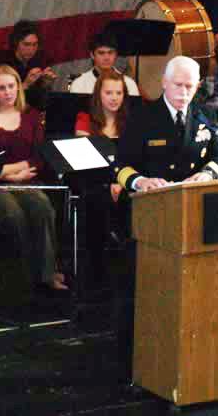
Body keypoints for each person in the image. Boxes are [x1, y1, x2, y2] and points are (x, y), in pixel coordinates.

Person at [112, 56, 218, 378]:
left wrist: (207, 176)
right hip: (149, 213)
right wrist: (141, 181)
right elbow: (119, 166)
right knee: (140, 288)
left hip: (192, 211)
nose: (184, 92)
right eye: (178, 84)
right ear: (164, 82)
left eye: (190, 86)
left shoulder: (206, 116)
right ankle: (132, 358)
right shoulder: (142, 117)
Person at [0, 66, 66, 292]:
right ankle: (19, 279)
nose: (7, 92)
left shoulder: (30, 115)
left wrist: (17, 172)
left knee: (42, 207)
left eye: (11, 86)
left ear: (19, 88)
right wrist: (8, 171)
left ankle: (46, 274)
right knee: (12, 214)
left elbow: (39, 156)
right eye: (1, 88)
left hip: (25, 181)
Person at [74, 69, 131, 281]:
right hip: (93, 182)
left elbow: (135, 159)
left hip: (124, 182)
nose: (114, 98)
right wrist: (109, 185)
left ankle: (125, 267)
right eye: (109, 93)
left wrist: (121, 183)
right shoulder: (85, 119)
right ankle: (97, 271)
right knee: (96, 201)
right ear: (99, 94)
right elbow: (85, 161)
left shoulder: (131, 122)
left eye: (119, 92)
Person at [0, 20, 56, 111]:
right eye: (26, 44)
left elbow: (41, 99)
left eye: (35, 44)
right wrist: (25, 84)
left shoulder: (39, 59)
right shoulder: (2, 62)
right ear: (16, 43)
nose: (31, 49)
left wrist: (46, 83)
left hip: (33, 111)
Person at [69, 32, 140, 96]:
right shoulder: (79, 84)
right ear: (92, 55)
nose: (106, 58)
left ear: (116, 54)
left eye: (110, 52)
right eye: (101, 53)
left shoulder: (129, 84)